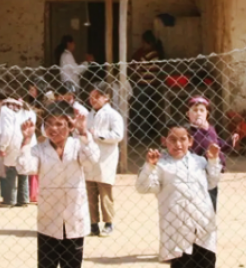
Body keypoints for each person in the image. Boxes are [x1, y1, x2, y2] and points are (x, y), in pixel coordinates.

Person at [16, 101, 101, 268]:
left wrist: (83, 132)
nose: (53, 129)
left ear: (70, 126)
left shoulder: (77, 146)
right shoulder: (39, 149)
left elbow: (92, 160)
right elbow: (25, 168)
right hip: (49, 219)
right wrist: (26, 140)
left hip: (74, 216)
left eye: (59, 124)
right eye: (48, 124)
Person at [136, 124, 222, 268]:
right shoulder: (161, 165)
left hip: (202, 224)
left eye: (183, 139)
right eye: (173, 140)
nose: (178, 144)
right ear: (164, 141)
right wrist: (150, 167)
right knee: (182, 263)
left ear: (190, 141)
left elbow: (212, 183)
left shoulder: (199, 161)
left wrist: (213, 161)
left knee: (207, 262)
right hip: (177, 227)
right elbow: (143, 187)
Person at [84, 81, 124, 237]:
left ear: (106, 97)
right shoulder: (89, 115)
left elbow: (118, 135)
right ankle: (93, 223)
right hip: (90, 157)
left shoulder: (113, 115)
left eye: (96, 96)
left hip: (105, 158)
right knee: (90, 192)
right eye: (91, 97)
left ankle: (108, 222)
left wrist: (99, 135)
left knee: (105, 191)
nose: (93, 100)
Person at [186, 96, 239, 211]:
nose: (198, 113)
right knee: (198, 203)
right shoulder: (190, 133)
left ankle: (210, 218)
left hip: (213, 170)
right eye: (195, 110)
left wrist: (229, 143)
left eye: (202, 110)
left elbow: (217, 143)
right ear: (188, 114)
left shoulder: (210, 129)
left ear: (207, 113)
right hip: (199, 172)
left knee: (211, 200)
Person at [0, 97, 33, 207]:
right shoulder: (26, 110)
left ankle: (9, 199)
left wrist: (2, 147)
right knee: (23, 171)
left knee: (11, 171)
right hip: (26, 141)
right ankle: (23, 199)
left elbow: (7, 132)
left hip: (13, 143)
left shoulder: (5, 110)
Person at [131, 30, 163, 141]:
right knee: (146, 110)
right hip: (152, 85)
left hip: (142, 85)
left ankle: (140, 134)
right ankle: (143, 135)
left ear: (146, 42)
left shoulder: (146, 55)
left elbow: (135, 69)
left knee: (139, 110)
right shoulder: (157, 54)